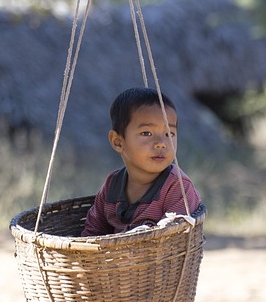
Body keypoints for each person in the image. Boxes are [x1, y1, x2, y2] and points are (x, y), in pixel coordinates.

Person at [80, 87, 202, 237]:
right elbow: (93, 229)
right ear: (118, 142)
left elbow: (173, 236)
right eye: (147, 133)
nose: (161, 143)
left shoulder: (177, 186)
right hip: (113, 259)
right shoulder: (112, 185)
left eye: (169, 133)